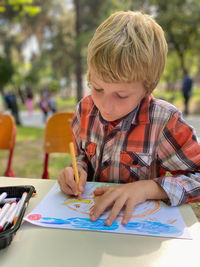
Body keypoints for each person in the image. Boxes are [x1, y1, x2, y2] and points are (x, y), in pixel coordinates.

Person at [58, 11, 200, 226]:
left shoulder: (164, 122)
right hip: (88, 225)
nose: (105, 105)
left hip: (137, 231)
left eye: (121, 95)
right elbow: (83, 156)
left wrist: (147, 188)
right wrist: (76, 171)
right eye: (98, 88)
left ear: (147, 87)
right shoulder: (85, 109)